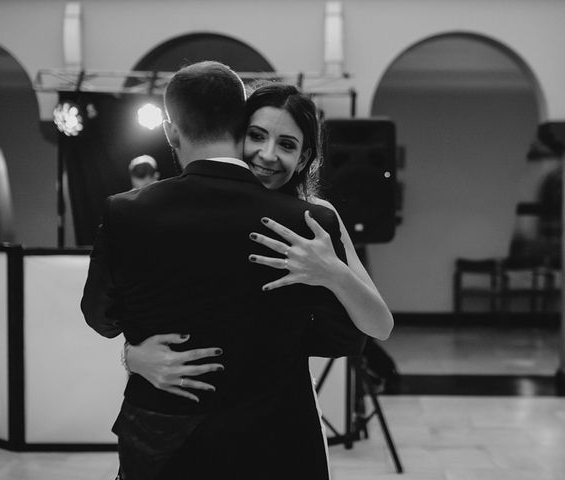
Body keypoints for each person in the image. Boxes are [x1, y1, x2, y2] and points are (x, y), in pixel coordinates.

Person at [81, 62, 365, 480]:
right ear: (242, 126)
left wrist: (133, 353)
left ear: (170, 131)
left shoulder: (124, 210)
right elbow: (343, 335)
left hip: (163, 435)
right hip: (271, 437)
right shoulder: (306, 220)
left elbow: (99, 316)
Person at [125, 82, 395, 396]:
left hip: (279, 405)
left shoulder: (316, 216)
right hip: (194, 409)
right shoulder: (192, 206)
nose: (267, 155)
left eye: (287, 145)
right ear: (237, 137)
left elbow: (381, 326)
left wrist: (333, 273)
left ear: (304, 157)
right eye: (257, 136)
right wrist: (133, 356)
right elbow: (143, 308)